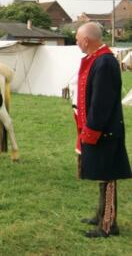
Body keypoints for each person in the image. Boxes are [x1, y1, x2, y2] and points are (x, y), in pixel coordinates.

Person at [74, 22, 131, 238]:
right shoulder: (98, 59)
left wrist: (92, 130)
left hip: (105, 132)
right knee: (102, 175)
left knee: (108, 177)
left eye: (78, 38)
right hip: (99, 130)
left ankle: (108, 224)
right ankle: (101, 215)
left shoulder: (104, 62)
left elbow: (101, 103)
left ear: (87, 40)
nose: (77, 41)